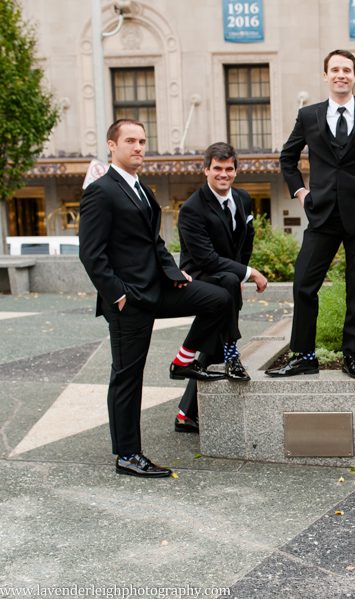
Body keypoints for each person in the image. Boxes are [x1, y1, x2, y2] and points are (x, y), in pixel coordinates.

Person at [79, 119, 231, 478]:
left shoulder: (142, 189)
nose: (138, 147)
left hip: (157, 288)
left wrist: (176, 275)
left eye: (143, 141)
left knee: (218, 298)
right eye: (130, 141)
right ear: (111, 145)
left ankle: (183, 362)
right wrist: (115, 294)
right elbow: (90, 252)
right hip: (128, 299)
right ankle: (128, 455)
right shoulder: (101, 190)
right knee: (127, 376)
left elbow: (154, 243)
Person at [267, 49, 355, 380]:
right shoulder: (309, 116)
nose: (341, 74)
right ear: (326, 76)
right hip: (321, 215)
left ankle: (353, 356)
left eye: (347, 70)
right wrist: (300, 191)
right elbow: (288, 157)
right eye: (335, 69)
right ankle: (305, 356)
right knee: (304, 285)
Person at [173, 142, 269, 434]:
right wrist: (249, 274)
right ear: (206, 170)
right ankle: (232, 354)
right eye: (217, 168)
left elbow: (246, 241)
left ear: (236, 171)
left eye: (229, 169)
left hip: (227, 276)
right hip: (199, 277)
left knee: (214, 334)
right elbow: (206, 259)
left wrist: (240, 273)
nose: (223, 174)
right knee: (226, 289)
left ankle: (185, 415)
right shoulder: (192, 209)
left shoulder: (242, 199)